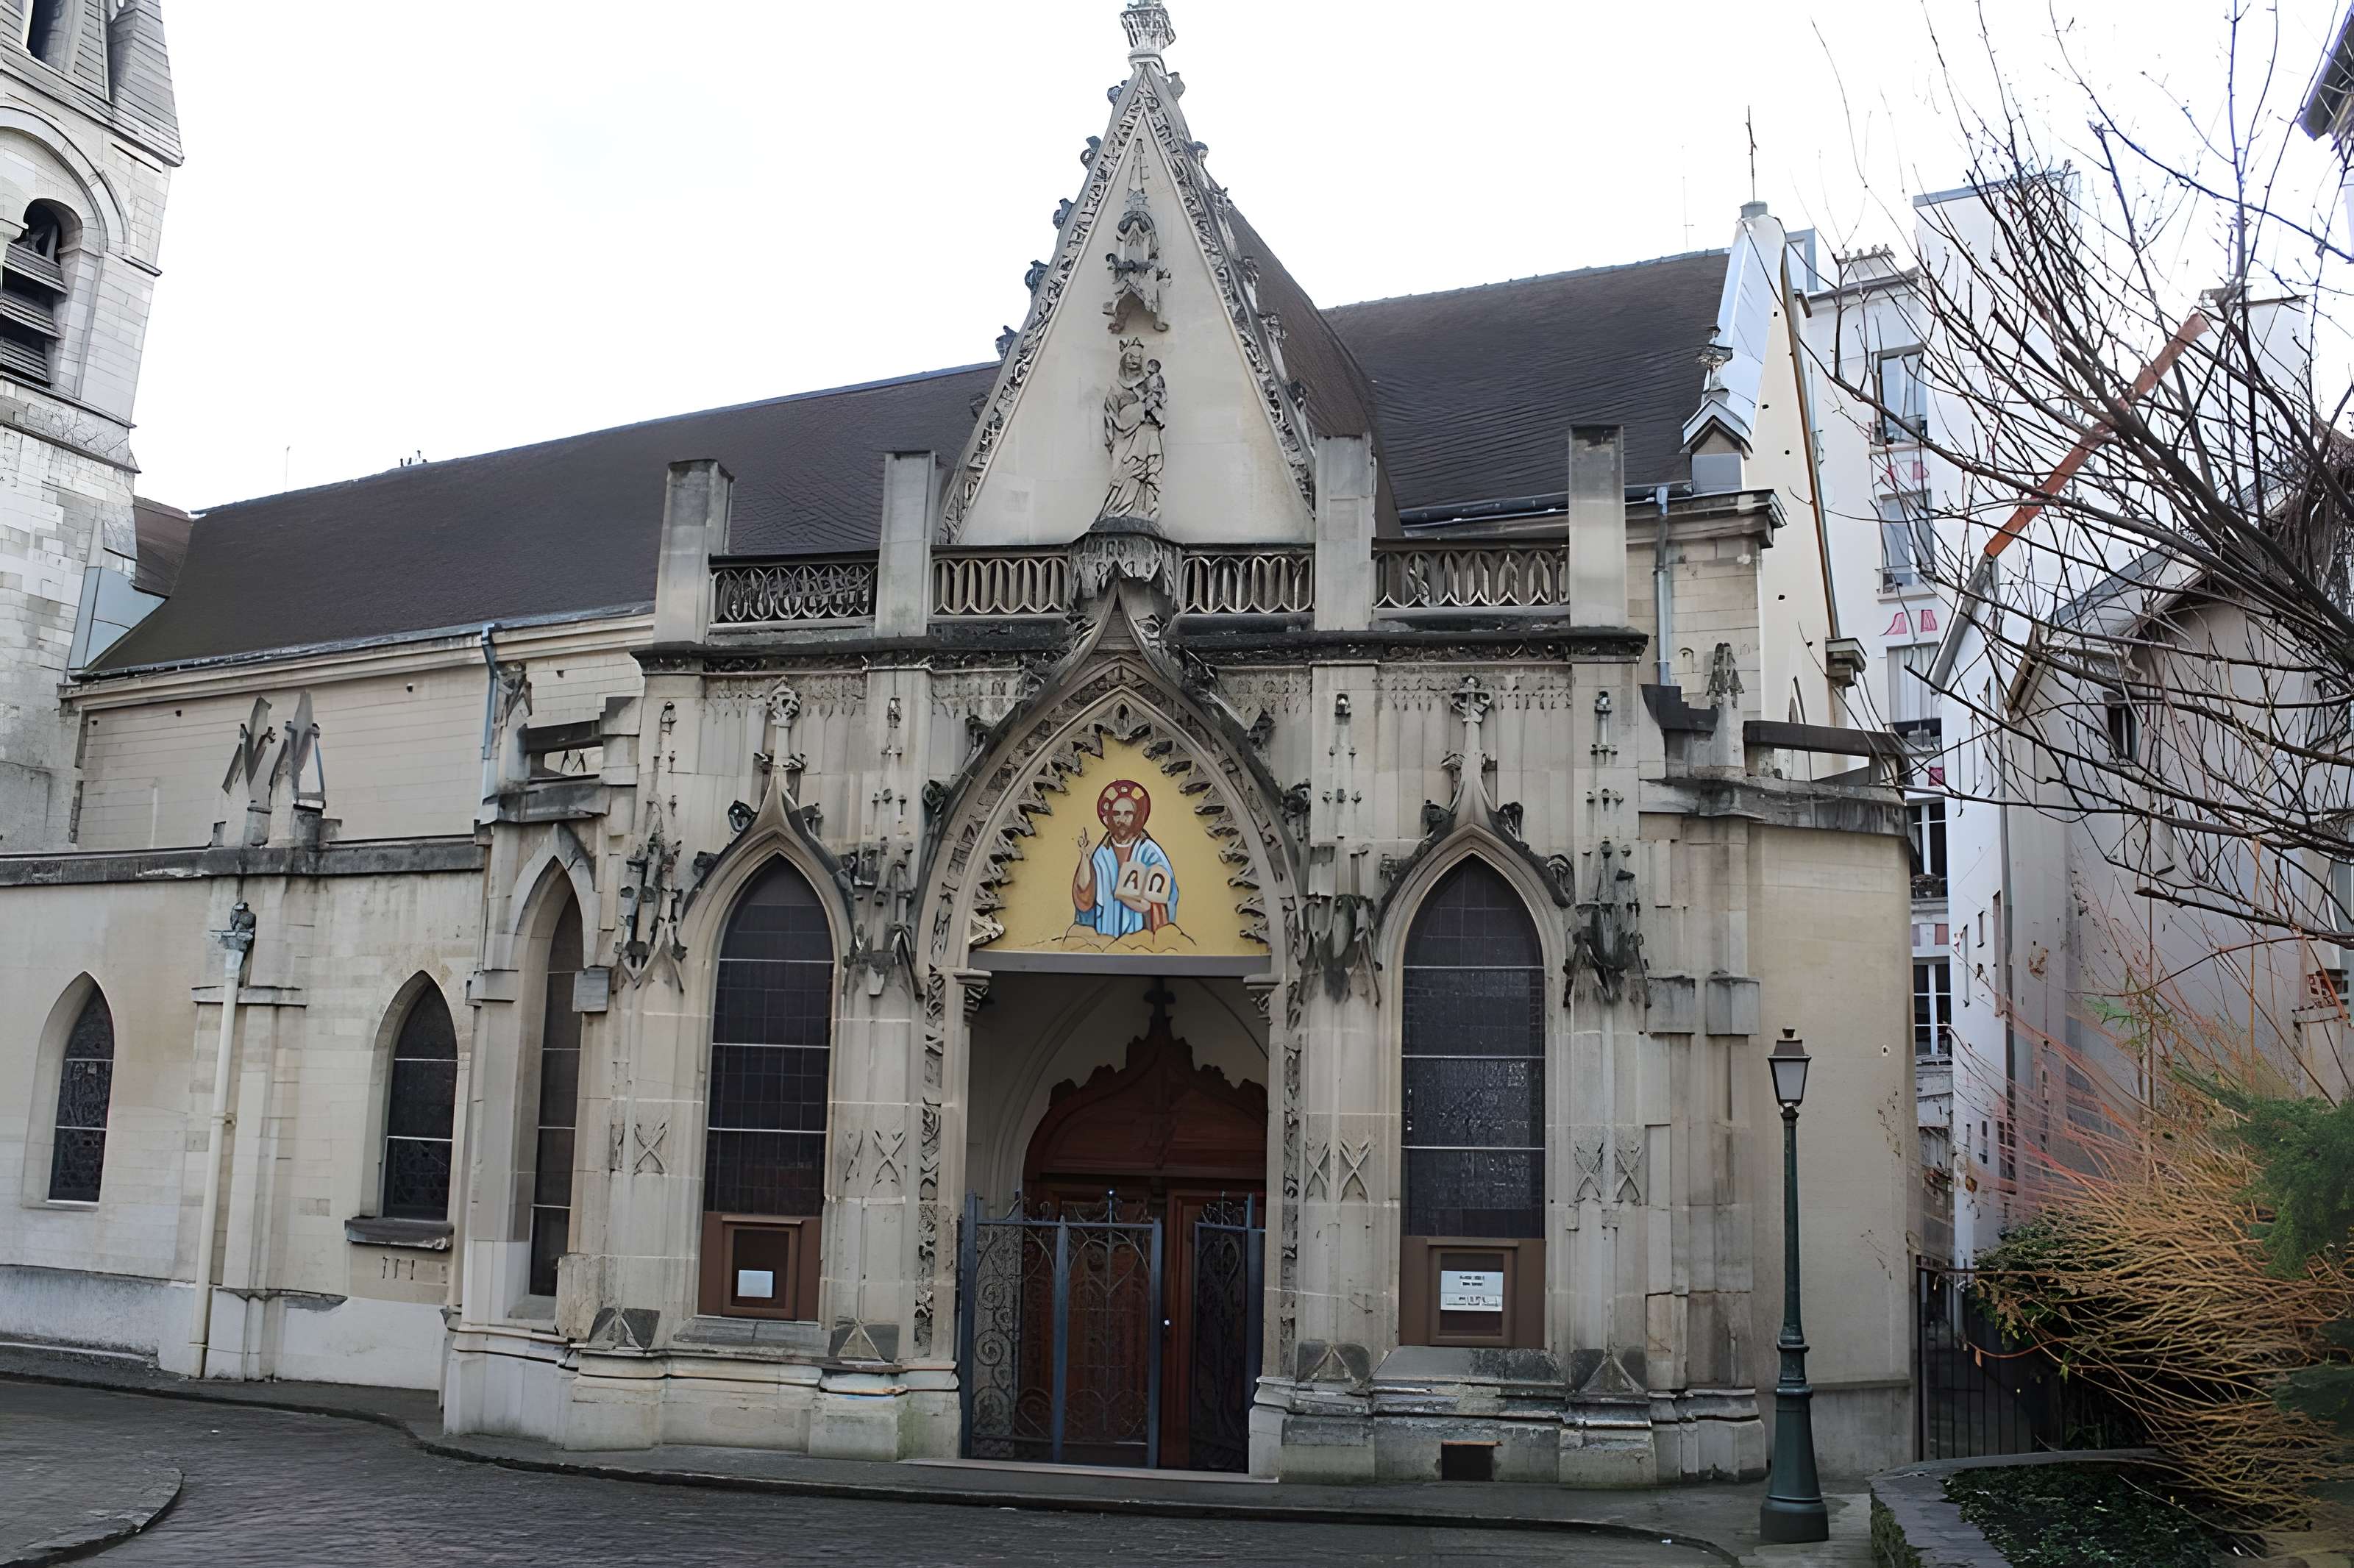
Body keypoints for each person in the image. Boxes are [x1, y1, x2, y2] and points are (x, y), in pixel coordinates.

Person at [1071, 780, 1177, 938]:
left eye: (1128, 813)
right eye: (1116, 814)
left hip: (1141, 934)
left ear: (1137, 816)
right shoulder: (1102, 853)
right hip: (1106, 931)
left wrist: (1141, 903)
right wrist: (1085, 858)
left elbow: (1165, 895)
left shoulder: (1149, 851)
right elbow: (1085, 897)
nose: (1122, 820)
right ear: (1109, 817)